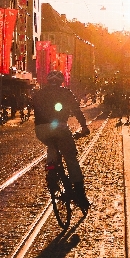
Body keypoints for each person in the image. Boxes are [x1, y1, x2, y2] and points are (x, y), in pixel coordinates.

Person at [32, 70, 91, 213]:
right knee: (70, 158)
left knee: (51, 144)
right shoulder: (66, 92)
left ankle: (51, 170)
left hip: (41, 130)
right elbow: (77, 111)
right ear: (61, 82)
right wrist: (84, 127)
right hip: (60, 127)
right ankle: (80, 195)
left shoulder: (39, 93)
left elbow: (34, 109)